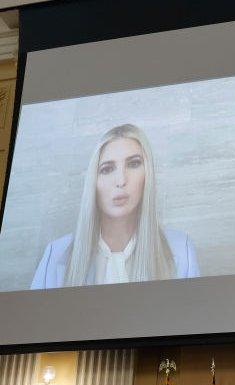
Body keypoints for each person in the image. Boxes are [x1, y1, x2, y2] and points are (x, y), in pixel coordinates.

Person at [31, 123, 199, 288]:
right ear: (93, 183)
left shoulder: (181, 249)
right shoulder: (56, 254)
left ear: (148, 175)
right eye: (107, 169)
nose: (120, 181)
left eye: (133, 164)